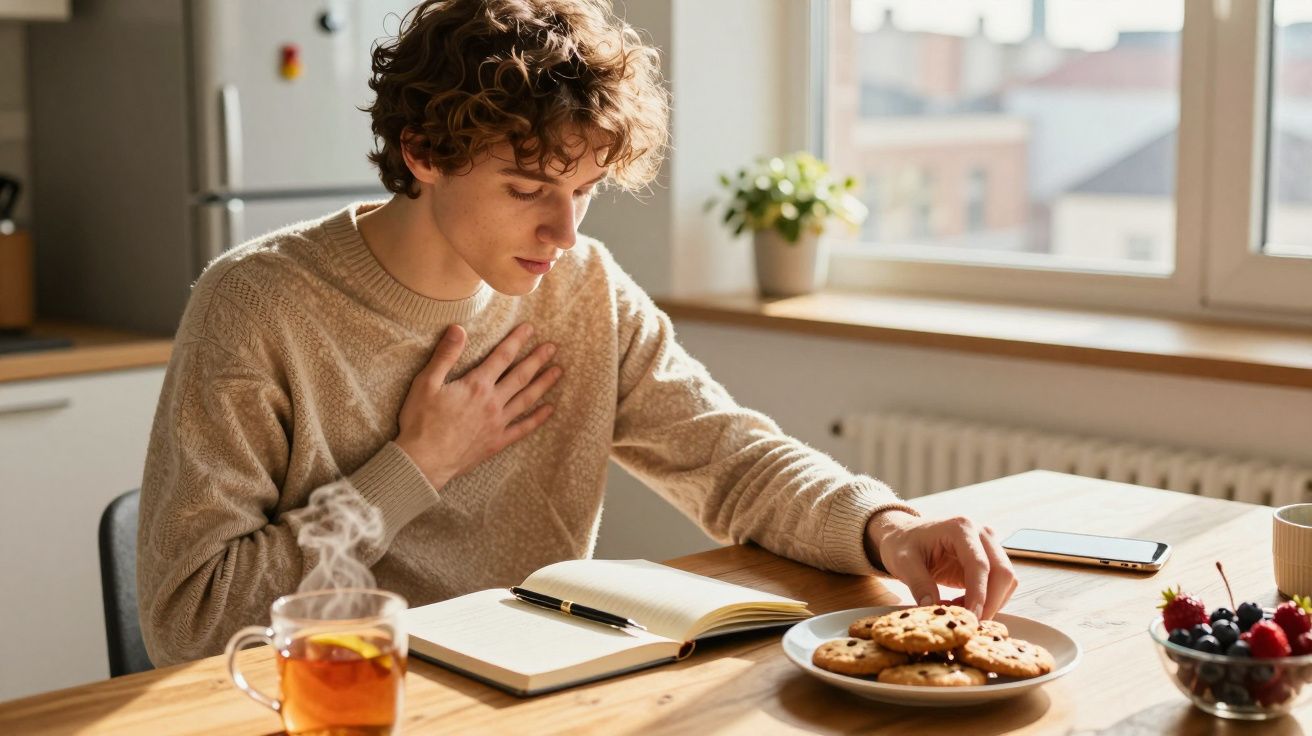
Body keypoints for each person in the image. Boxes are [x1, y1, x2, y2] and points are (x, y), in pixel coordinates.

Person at [137, 0, 1016, 666]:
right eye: (527, 191)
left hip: (534, 690)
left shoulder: (582, 286)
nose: (565, 233)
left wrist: (888, 528)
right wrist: (416, 467)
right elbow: (192, 622)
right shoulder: (257, 306)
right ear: (423, 154)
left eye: (586, 189)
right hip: (337, 700)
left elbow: (730, 459)